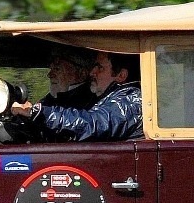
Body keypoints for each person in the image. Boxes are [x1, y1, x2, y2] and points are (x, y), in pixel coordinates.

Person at [12, 51, 143, 141]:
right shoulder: (111, 97)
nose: (92, 72)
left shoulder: (129, 101)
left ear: (121, 75)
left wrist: (39, 113)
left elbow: (92, 124)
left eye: (100, 67)